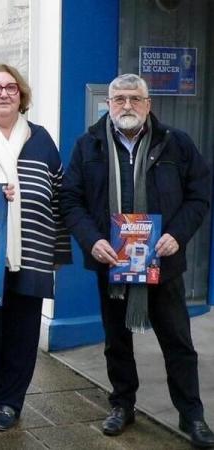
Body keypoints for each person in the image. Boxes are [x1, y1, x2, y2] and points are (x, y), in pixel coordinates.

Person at [61, 73, 214, 448]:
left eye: (134, 98)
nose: (126, 105)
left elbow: (199, 195)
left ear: (149, 105)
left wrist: (176, 235)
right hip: (112, 261)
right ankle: (122, 404)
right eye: (119, 99)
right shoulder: (89, 145)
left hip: (162, 262)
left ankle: (192, 415)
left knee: (178, 341)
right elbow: (71, 200)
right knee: (116, 340)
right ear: (108, 105)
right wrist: (92, 240)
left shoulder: (175, 143)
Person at [0, 64, 72, 431]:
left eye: (10, 88)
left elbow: (59, 196)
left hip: (33, 250)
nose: (3, 94)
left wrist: (58, 252)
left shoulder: (41, 139)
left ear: (21, 95)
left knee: (22, 331)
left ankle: (9, 401)